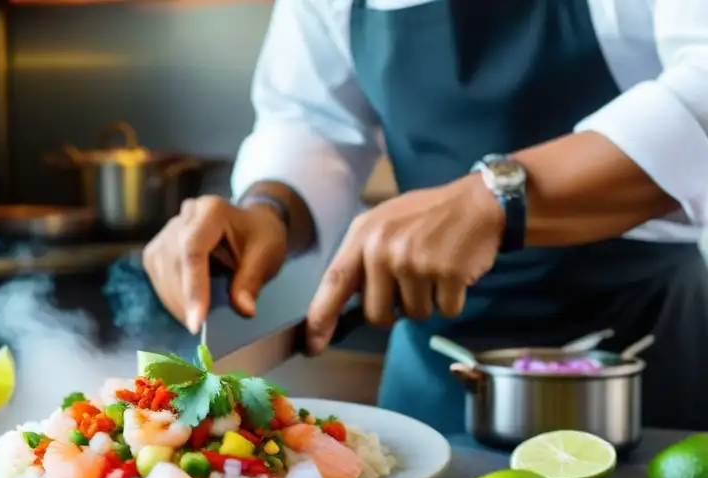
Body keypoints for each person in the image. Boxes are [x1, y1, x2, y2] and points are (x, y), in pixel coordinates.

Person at [141, 0, 708, 434]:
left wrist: (493, 196)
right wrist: (267, 211)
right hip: (434, 372)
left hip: (639, 359)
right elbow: (310, 119)